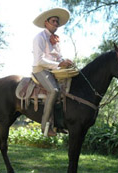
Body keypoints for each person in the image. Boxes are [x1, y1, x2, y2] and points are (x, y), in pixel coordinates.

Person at [32, 8, 73, 137]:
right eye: (54, 21)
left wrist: (65, 61)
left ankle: (60, 123)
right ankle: (44, 126)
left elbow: (58, 57)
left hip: (54, 71)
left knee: (68, 88)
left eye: (57, 22)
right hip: (40, 70)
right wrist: (58, 64)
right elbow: (39, 60)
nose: (56, 24)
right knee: (54, 90)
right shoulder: (39, 37)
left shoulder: (56, 39)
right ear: (46, 22)